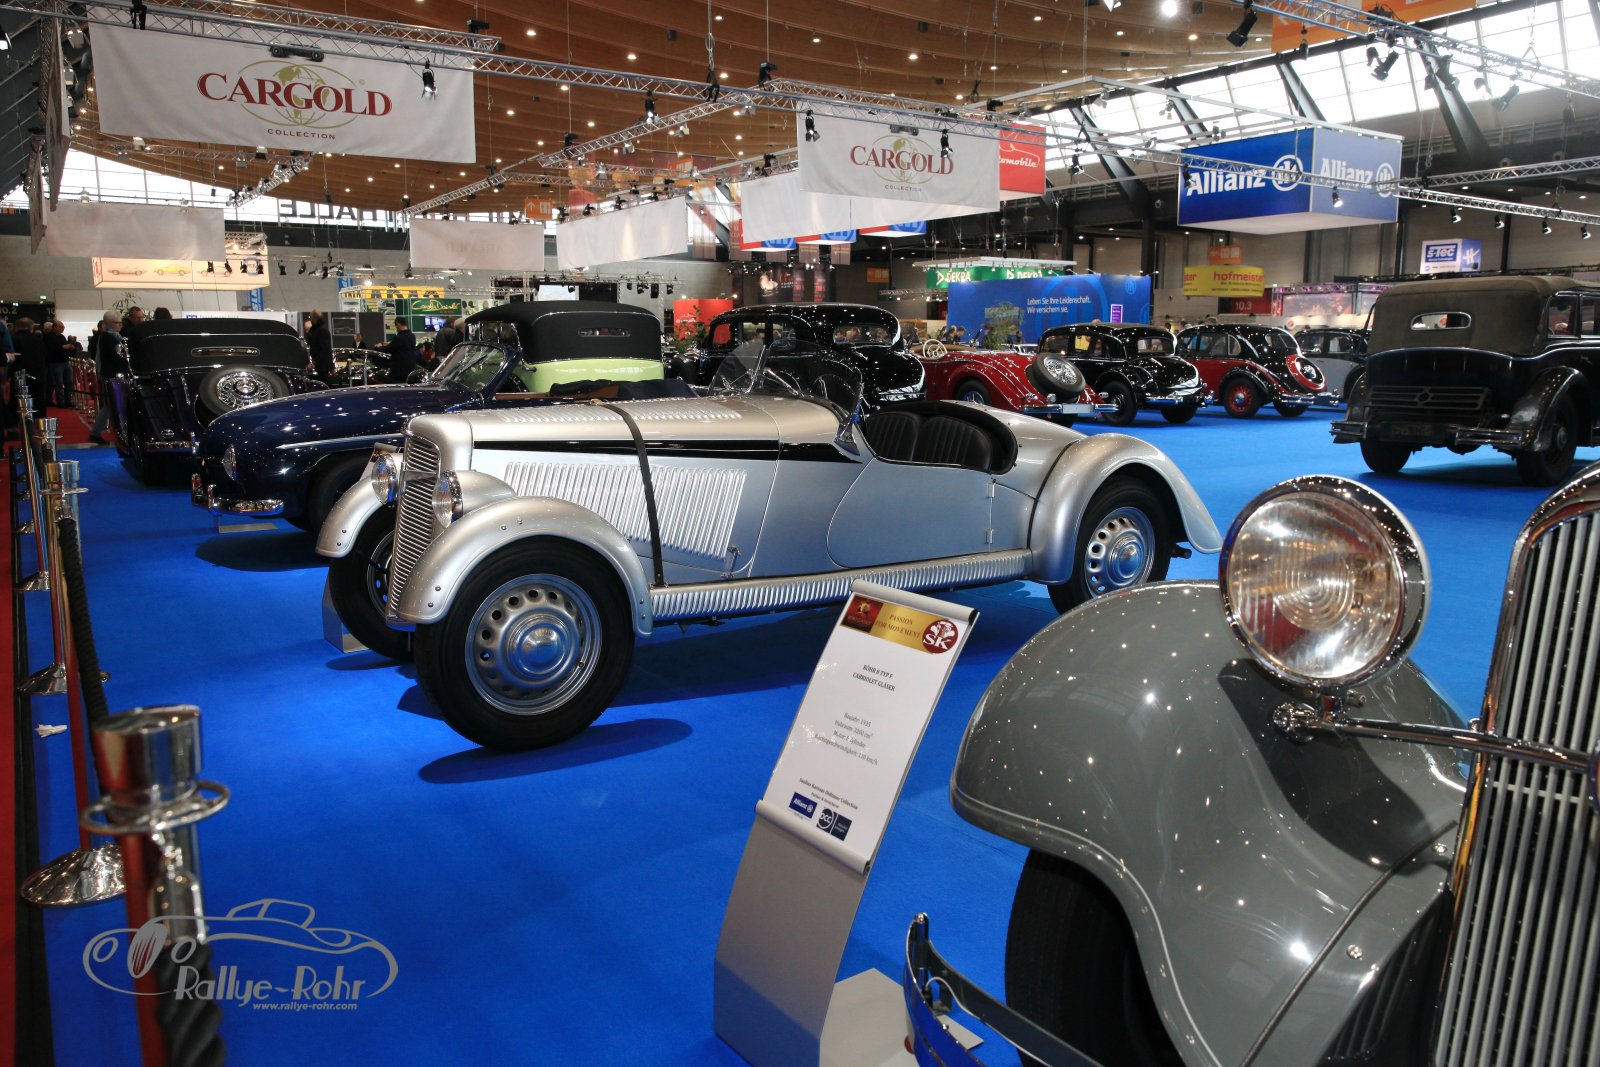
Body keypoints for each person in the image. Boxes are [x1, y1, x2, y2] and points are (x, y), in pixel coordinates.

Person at [88, 311, 124, 444]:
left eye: (120, 322)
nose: (120, 325)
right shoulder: (109, 338)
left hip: (110, 374)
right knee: (110, 405)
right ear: (109, 323)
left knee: (110, 405)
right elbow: (116, 357)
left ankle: (96, 433)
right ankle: (96, 433)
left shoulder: (110, 336)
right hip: (111, 375)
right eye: (117, 322)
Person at [10, 318, 48, 400]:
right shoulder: (39, 341)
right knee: (37, 399)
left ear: (16, 327)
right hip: (38, 376)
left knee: (20, 400)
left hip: (19, 376)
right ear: (31, 328)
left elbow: (10, 358)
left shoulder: (13, 339)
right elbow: (44, 357)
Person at [44, 320, 77, 407]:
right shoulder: (49, 337)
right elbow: (51, 349)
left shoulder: (62, 337)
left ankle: (68, 400)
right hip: (55, 363)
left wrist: (69, 347)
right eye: (61, 326)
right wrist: (63, 347)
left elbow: (63, 348)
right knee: (58, 382)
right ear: (55, 327)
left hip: (65, 362)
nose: (63, 328)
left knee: (69, 382)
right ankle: (60, 401)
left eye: (63, 327)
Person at [376, 318, 419, 382]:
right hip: (411, 369)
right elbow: (403, 347)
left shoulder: (399, 337)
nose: (396, 328)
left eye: (396, 326)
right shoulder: (412, 336)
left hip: (400, 371)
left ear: (398, 324)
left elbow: (388, 349)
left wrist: (379, 347)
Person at [306, 310, 334, 380]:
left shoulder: (322, 330)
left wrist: (314, 362)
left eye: (310, 317)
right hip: (320, 366)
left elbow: (325, 350)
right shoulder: (317, 330)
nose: (310, 320)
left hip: (323, 367)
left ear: (314, 318)